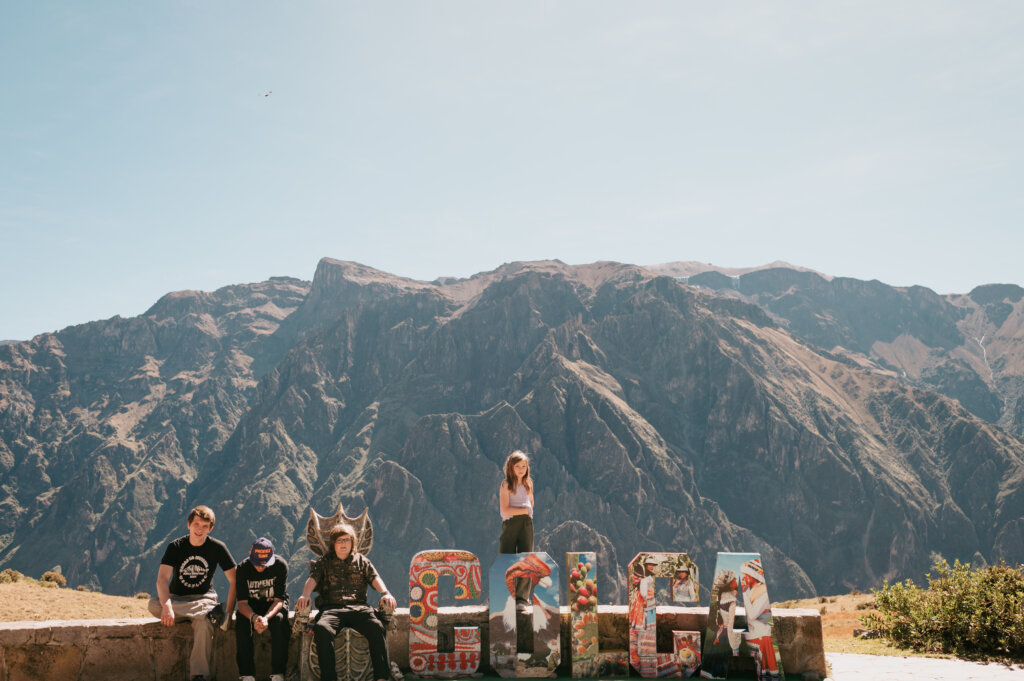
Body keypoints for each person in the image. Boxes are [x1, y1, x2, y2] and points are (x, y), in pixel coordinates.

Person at [295, 522, 397, 681]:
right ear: (333, 544)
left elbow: (375, 578)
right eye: (339, 540)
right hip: (332, 609)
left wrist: (385, 593)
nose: (343, 544)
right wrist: (305, 595)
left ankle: (381, 678)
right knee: (322, 629)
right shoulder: (325, 561)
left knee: (377, 627)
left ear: (352, 542)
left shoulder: (362, 561)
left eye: (347, 540)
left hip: (359, 609)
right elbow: (312, 579)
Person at [149, 505, 237, 681]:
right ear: (188, 524)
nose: (200, 529)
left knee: (204, 625)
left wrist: (228, 609)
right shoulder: (176, 547)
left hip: (203, 598)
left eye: (205, 526)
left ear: (210, 528)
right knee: (153, 605)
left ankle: (199, 676)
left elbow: (235, 579)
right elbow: (162, 580)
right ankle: (208, 612)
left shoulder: (217, 548)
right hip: (177, 600)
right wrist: (167, 607)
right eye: (196, 524)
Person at [235, 537, 289, 681]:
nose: (261, 567)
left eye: (265, 564)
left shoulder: (280, 565)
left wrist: (266, 618)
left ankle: (278, 673)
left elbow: (279, 601)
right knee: (241, 624)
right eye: (257, 564)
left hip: (273, 604)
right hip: (251, 605)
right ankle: (246, 675)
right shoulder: (242, 569)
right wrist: (253, 617)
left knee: (279, 621)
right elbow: (241, 603)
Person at [498, 450, 534, 612]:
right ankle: (504, 597)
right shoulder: (506, 485)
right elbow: (505, 509)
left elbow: (531, 504)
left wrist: (526, 512)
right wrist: (524, 510)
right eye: (517, 466)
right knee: (507, 558)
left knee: (526, 559)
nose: (521, 469)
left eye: (524, 466)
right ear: (510, 467)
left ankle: (522, 599)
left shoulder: (528, 484)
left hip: (526, 524)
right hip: (511, 524)